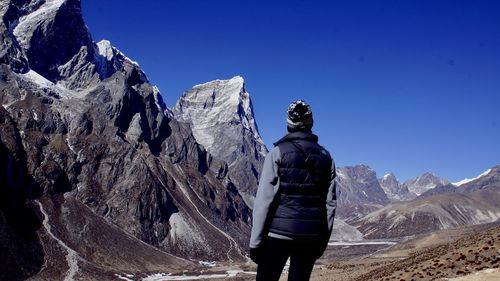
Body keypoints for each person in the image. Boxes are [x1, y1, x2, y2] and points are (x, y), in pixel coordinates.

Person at [249, 100, 337, 281]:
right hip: (311, 237)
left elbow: (264, 200)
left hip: (277, 235)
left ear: (288, 123)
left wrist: (256, 242)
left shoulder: (277, 153)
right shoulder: (326, 158)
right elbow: (330, 204)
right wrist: (322, 241)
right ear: (311, 122)